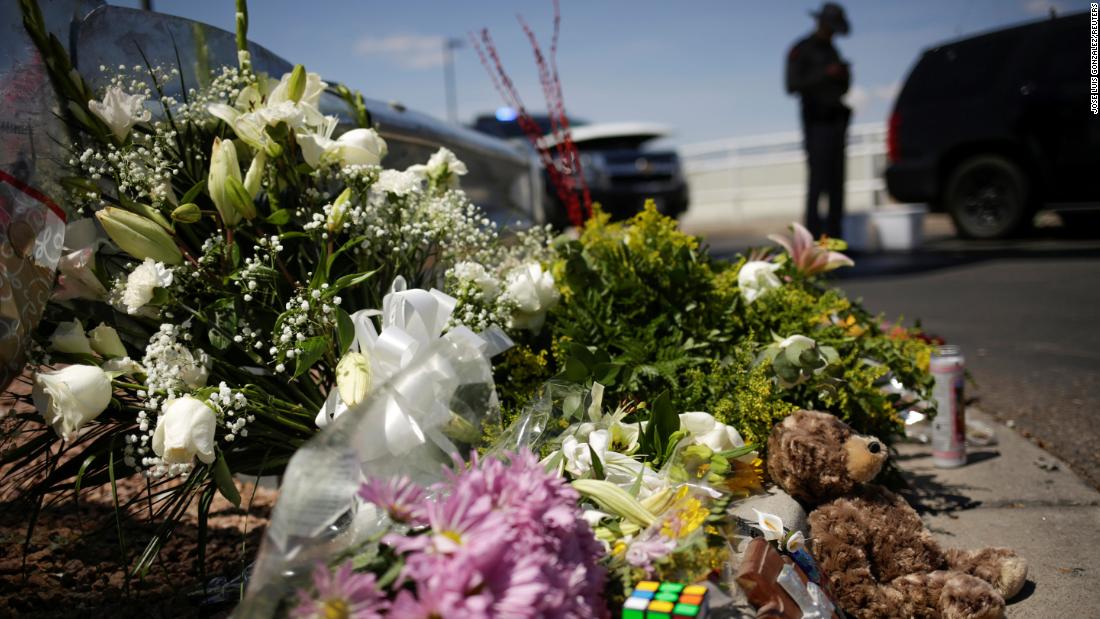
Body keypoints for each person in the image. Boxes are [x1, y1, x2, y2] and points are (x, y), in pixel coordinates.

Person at [786, 2, 851, 239]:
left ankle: (835, 239)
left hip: (837, 122)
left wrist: (844, 76)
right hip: (816, 123)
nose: (832, 33)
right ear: (821, 23)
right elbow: (791, 85)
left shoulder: (834, 51)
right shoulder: (801, 49)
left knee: (837, 183)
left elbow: (843, 89)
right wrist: (825, 74)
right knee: (817, 182)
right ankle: (810, 240)